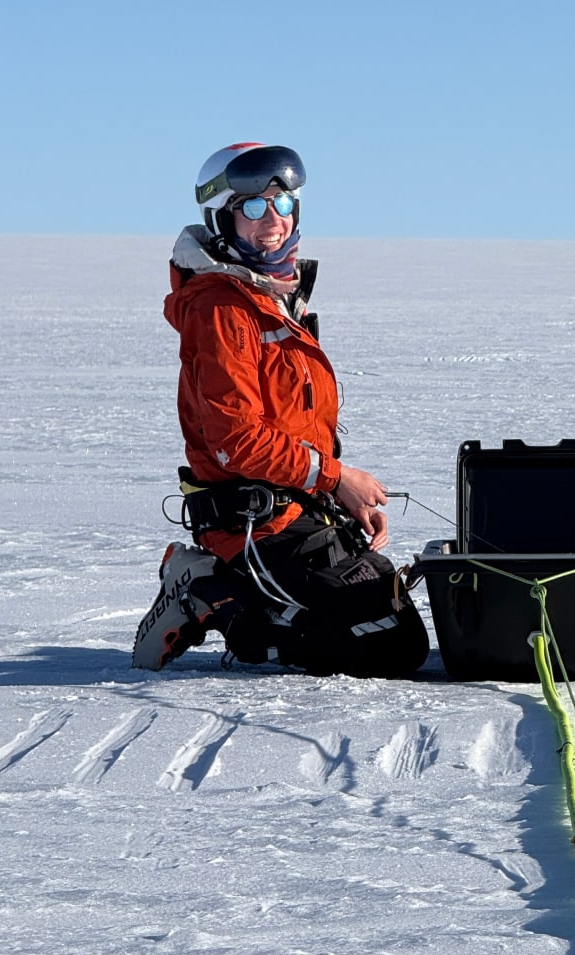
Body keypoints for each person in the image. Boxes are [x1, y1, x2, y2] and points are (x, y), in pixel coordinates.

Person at [132, 143, 429, 678]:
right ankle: (212, 594)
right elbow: (234, 439)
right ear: (224, 219)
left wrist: (335, 495)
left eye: (282, 204)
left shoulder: (272, 298)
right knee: (386, 648)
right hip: (253, 524)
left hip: (299, 510)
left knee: (392, 618)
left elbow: (295, 424)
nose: (271, 221)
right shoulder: (221, 308)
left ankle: (242, 589)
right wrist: (336, 479)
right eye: (252, 208)